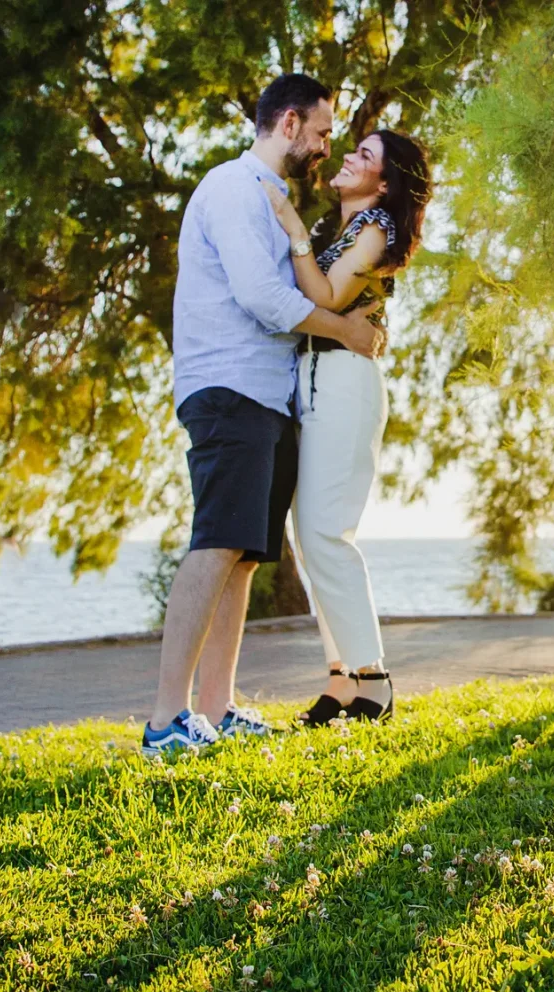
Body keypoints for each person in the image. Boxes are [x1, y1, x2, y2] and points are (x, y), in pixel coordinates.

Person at [142, 73, 386, 758]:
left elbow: (299, 288)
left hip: (267, 397)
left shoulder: (276, 201)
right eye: (321, 131)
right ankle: (167, 721)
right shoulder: (233, 188)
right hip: (228, 390)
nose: (325, 144)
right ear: (288, 123)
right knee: (215, 542)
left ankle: (216, 710)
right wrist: (344, 331)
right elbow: (261, 298)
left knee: (244, 557)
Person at [259, 128, 432, 725]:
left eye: (364, 155)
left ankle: (375, 681)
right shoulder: (343, 230)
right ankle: (340, 678)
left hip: (344, 383)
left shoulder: (377, 227)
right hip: (313, 380)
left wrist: (290, 228)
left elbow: (328, 298)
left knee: (329, 534)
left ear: (383, 183)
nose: (348, 158)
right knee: (311, 538)